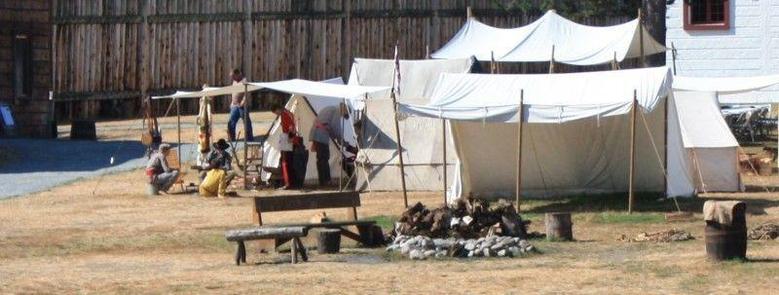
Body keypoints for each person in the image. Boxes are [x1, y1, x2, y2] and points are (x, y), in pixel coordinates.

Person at [309, 103, 350, 186]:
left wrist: (339, 139)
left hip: (317, 133)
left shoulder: (330, 108)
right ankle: (326, 181)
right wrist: (342, 141)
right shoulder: (337, 111)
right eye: (344, 114)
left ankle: (322, 181)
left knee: (321, 159)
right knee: (324, 158)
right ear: (344, 109)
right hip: (321, 135)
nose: (342, 116)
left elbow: (330, 128)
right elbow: (336, 128)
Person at [271, 104, 301, 189]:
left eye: (275, 112)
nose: (276, 114)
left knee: (286, 162)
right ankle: (292, 182)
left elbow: (291, 127)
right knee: (290, 162)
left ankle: (288, 183)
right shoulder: (288, 113)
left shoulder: (284, 115)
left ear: (277, 109)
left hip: (288, 139)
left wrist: (290, 139)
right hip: (291, 139)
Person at [227, 69, 253, 142]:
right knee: (231, 122)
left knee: (246, 123)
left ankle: (249, 139)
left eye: (233, 76)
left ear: (237, 74)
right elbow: (233, 92)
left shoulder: (244, 81)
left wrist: (243, 101)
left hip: (242, 106)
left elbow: (247, 92)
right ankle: (231, 139)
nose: (232, 78)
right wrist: (232, 102)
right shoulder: (234, 82)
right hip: (234, 106)